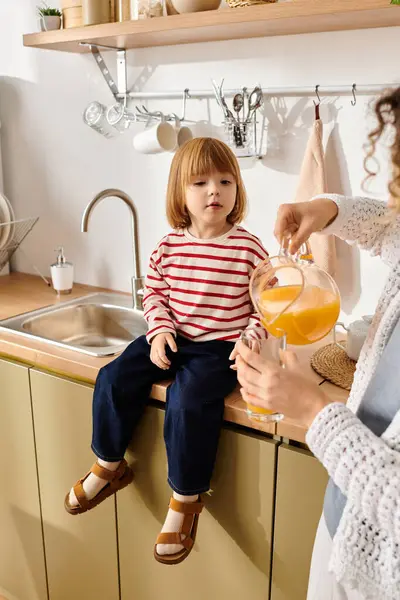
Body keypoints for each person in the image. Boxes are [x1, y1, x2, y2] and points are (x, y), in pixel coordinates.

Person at [64, 137, 270, 565]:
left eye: (225, 180)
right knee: (113, 377)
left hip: (218, 348)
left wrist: (249, 338)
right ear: (180, 192)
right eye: (199, 182)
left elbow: (266, 304)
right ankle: (108, 463)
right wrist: (158, 333)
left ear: (237, 189)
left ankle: (186, 497)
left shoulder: (248, 248)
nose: (214, 190)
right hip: (173, 337)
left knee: (187, 401)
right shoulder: (170, 245)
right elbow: (154, 295)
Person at [235, 86, 400, 600]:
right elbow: (389, 230)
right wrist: (326, 210)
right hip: (344, 524)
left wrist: (311, 408)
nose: (394, 189)